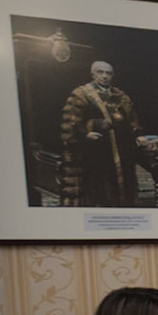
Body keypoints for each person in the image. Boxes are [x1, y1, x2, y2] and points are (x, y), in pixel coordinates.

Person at [58, 60, 141, 207]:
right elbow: (71, 122)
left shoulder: (120, 96)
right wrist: (85, 134)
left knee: (123, 182)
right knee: (99, 185)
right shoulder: (81, 94)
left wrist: (136, 132)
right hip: (95, 149)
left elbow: (131, 119)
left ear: (112, 75)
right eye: (100, 72)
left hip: (121, 149)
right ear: (93, 74)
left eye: (108, 73)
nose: (104, 76)